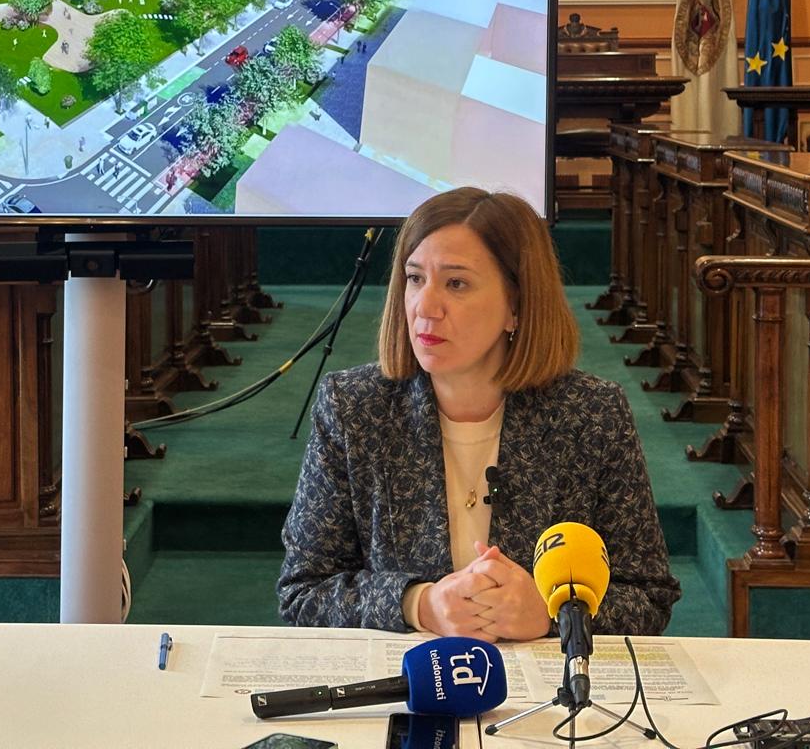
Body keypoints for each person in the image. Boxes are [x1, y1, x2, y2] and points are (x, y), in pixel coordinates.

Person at [278, 187, 679, 641]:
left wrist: (551, 614)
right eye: (414, 279)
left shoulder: (591, 414)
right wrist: (419, 603)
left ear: (517, 305)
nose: (425, 307)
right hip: (411, 687)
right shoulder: (354, 408)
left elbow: (648, 597)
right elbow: (303, 591)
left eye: (456, 283)